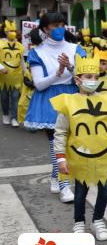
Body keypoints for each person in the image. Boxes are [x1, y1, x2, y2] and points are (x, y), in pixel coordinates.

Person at [51, 54, 107, 239]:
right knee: (81, 191)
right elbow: (60, 132)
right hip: (80, 156)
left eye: (95, 77)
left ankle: (98, 219)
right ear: (77, 79)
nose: (93, 81)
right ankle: (79, 221)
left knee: (105, 187)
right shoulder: (68, 102)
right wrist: (60, 157)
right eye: (88, 77)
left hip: (105, 156)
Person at [24, 12, 87, 203]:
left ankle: (55, 176)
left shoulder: (76, 48)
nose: (59, 28)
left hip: (73, 96)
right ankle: (64, 185)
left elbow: (85, 77)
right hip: (49, 99)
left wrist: (69, 68)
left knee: (70, 142)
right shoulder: (37, 52)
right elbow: (39, 84)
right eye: (54, 25)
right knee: (56, 143)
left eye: (62, 24)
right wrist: (58, 72)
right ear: (44, 29)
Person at [0, 20, 25, 127]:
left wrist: (26, 72)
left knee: (15, 97)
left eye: (14, 30)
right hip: (4, 77)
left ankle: (14, 117)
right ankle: (5, 114)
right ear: (5, 31)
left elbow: (22, 60)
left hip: (17, 76)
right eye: (11, 30)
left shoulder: (19, 45)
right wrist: (1, 68)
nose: (13, 32)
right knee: (4, 97)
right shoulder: (0, 43)